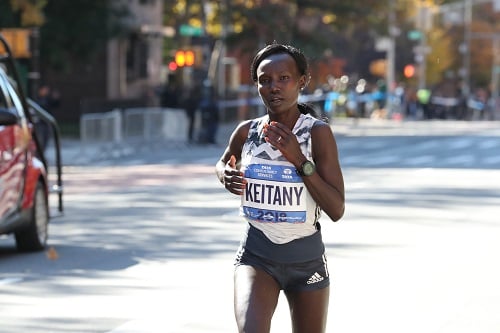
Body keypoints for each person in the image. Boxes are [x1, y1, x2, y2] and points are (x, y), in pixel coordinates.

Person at [215, 43, 345, 333]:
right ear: (257, 86)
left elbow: (336, 209)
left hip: (306, 261)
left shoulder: (317, 133)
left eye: (283, 78)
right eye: (265, 80)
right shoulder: (247, 131)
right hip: (257, 257)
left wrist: (298, 159)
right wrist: (224, 174)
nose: (274, 87)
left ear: (301, 81)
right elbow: (224, 161)